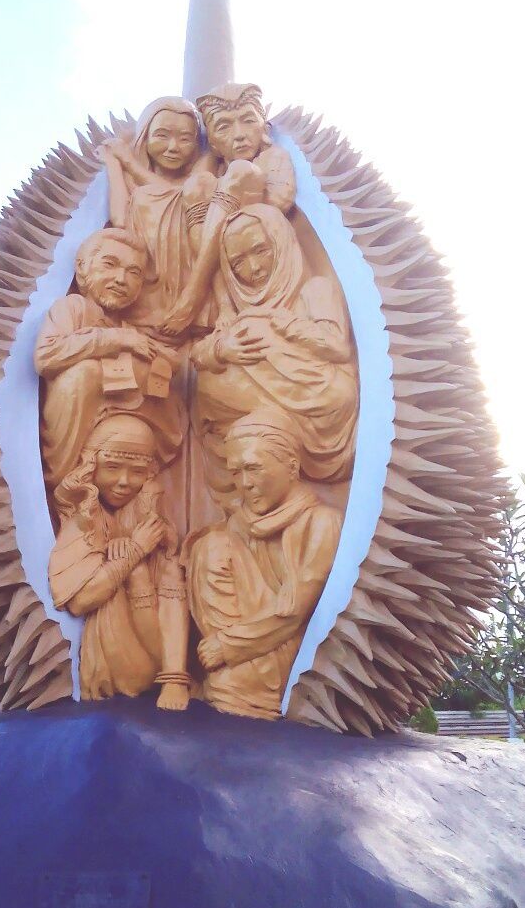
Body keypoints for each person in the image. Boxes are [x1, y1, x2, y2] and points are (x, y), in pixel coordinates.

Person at [190, 203, 358, 505]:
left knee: (340, 392)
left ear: (281, 243)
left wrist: (289, 326)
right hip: (260, 405)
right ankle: (262, 446)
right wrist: (223, 349)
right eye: (238, 261)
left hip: (322, 398)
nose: (253, 268)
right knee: (208, 384)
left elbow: (337, 347)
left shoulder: (316, 290)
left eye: (260, 251)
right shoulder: (236, 311)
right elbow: (199, 355)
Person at [185, 409, 341, 720]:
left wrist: (227, 647)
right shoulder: (236, 524)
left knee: (232, 688)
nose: (245, 484)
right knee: (207, 546)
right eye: (236, 472)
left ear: (291, 467)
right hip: (229, 650)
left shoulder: (321, 522)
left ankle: (248, 679)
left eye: (254, 469)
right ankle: (236, 676)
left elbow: (294, 613)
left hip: (276, 646)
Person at [48, 415, 190, 711]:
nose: (125, 482)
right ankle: (172, 674)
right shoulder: (84, 520)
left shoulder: (143, 517)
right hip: (118, 657)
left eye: (137, 472)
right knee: (138, 569)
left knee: (169, 567)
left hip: (156, 649)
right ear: (91, 465)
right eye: (112, 467)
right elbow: (80, 600)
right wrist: (135, 552)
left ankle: (174, 676)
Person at [34, 227, 185, 487]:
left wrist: (156, 358)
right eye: (110, 265)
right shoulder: (73, 307)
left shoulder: (130, 329)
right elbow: (47, 355)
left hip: (126, 429)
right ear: (83, 267)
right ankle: (64, 478)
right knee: (83, 375)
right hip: (76, 419)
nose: (121, 279)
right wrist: (114, 341)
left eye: (133, 272)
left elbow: (168, 366)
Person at [162, 83, 297, 335]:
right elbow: (194, 189)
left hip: (262, 255)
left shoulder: (273, 158)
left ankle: (194, 290)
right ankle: (223, 304)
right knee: (199, 183)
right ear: (212, 142)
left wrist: (231, 199)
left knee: (242, 171)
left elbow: (277, 207)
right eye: (224, 127)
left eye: (247, 121)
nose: (239, 135)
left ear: (264, 128)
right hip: (228, 264)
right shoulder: (214, 172)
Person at [101, 96, 212, 337]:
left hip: (194, 288)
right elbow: (120, 220)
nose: (173, 147)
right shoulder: (137, 188)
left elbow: (180, 196)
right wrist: (113, 165)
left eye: (185, 139)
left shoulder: (202, 177)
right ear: (145, 136)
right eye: (162, 135)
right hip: (147, 290)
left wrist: (129, 163)